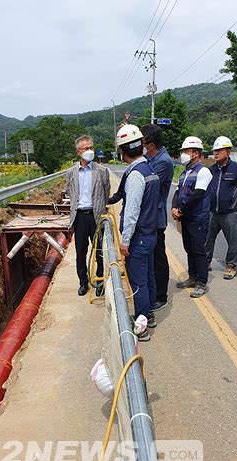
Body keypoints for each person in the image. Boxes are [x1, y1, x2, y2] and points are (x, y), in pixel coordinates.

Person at [116, 124, 160, 340]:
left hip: (139, 237)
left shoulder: (135, 175)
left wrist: (125, 241)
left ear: (122, 150)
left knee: (138, 281)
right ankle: (149, 314)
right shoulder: (149, 169)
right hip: (150, 235)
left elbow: (132, 211)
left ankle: (141, 326)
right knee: (148, 277)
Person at [66, 135, 110, 296]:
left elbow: (106, 192)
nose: (90, 151)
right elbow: (70, 192)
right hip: (80, 217)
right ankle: (83, 282)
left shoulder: (102, 171)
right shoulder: (71, 172)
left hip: (96, 216)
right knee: (81, 251)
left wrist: (100, 207)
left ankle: (99, 281)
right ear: (79, 151)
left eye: (92, 147)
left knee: (99, 251)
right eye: (86, 148)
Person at [171, 136, 212, 298]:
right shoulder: (185, 172)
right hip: (186, 217)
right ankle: (192, 277)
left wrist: (181, 210)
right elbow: (177, 191)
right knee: (189, 249)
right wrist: (174, 207)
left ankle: (201, 282)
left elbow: (197, 195)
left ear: (195, 153)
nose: (183, 154)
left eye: (186, 151)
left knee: (198, 250)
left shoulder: (203, 171)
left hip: (197, 218)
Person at [205, 136, 237, 279]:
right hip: (212, 211)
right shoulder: (211, 170)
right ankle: (205, 262)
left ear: (228, 151)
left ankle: (231, 266)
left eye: (219, 150)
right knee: (207, 239)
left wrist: (235, 202)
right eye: (215, 151)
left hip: (230, 213)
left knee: (232, 240)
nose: (216, 153)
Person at [141, 124, 174, 310]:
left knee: (158, 256)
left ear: (150, 144)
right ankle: (153, 290)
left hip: (156, 217)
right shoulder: (150, 157)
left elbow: (147, 185)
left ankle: (161, 295)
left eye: (142, 141)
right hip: (149, 216)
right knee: (151, 256)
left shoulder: (164, 162)